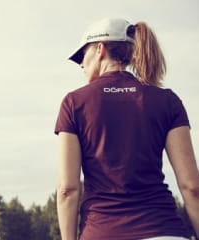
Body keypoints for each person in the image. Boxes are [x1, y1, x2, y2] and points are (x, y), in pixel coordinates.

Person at [54, 18, 199, 240]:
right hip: (164, 231)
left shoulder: (74, 103)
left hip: (101, 232)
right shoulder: (167, 101)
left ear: (100, 49)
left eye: (82, 56)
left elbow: (67, 190)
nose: (81, 64)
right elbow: (191, 187)